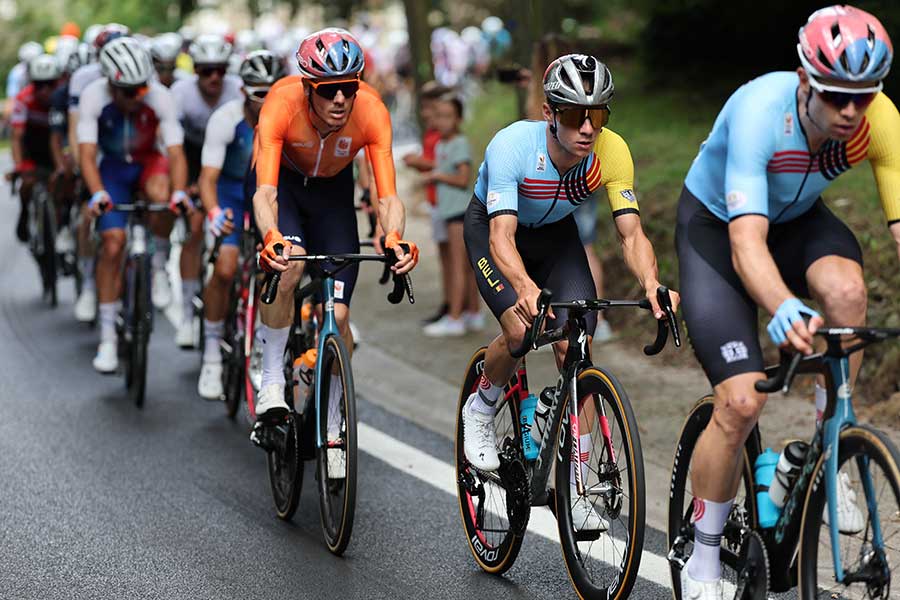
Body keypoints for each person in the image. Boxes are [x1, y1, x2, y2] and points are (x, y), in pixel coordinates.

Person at [674, 6, 898, 598]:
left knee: (847, 291)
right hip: (718, 230)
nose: (852, 111)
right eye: (835, 95)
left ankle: (830, 444)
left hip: (798, 221)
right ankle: (701, 555)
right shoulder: (758, 111)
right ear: (805, 80)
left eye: (865, 94)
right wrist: (781, 306)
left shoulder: (880, 122)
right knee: (742, 402)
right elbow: (746, 243)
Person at [460, 54, 678, 530]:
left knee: (574, 343)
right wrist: (526, 288)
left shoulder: (611, 153)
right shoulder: (512, 147)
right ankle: (481, 406)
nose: (587, 128)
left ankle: (576, 484)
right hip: (496, 230)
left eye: (597, 116)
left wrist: (652, 284)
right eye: (575, 115)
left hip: (557, 237)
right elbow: (501, 239)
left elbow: (631, 234)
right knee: (519, 331)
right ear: (548, 113)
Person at [251, 28, 418, 427]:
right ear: (309, 87)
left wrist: (393, 235)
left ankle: (333, 408)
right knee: (288, 266)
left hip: (333, 194)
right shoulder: (280, 103)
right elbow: (265, 194)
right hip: (287, 187)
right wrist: (272, 235)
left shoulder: (372, 110)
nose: (340, 98)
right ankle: (272, 378)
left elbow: (388, 196)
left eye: (348, 87)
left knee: (339, 317)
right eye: (328, 90)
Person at [77, 37, 189, 373]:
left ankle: (157, 265)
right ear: (110, 84)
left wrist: (179, 193)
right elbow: (85, 154)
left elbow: (175, 153)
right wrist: (97, 193)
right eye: (126, 92)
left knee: (163, 197)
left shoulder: (159, 96)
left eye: (140, 90)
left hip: (147, 163)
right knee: (112, 244)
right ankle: (108, 337)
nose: (134, 97)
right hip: (111, 168)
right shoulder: (93, 96)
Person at [196, 50, 284, 400]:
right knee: (225, 268)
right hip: (231, 193)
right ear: (244, 92)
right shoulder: (226, 119)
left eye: (273, 91)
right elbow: (207, 178)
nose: (266, 101)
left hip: (270, 193)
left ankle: (266, 341)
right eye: (258, 93)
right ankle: (212, 353)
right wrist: (215, 212)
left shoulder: (288, 118)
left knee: (276, 269)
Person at [169, 34, 243, 347]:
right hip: (190, 157)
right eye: (206, 70)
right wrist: (181, 188)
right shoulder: (180, 93)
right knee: (196, 227)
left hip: (225, 161)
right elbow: (170, 148)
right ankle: (187, 313)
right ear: (195, 69)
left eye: (219, 70)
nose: (214, 77)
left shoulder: (238, 89)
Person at [421, 94, 482, 336]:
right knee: (464, 265)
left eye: (447, 116)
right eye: (439, 116)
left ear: (458, 119)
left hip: (460, 212)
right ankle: (472, 314)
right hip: (449, 212)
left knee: (460, 265)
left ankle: (455, 318)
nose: (442, 121)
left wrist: (436, 176)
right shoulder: (441, 145)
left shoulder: (459, 143)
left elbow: (463, 178)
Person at [402, 81, 450, 325]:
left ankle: (455, 307)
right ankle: (449, 302)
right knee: (443, 255)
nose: (424, 114)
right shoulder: (431, 134)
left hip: (446, 202)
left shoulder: (442, 135)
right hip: (435, 200)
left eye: (427, 109)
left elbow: (442, 163)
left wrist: (418, 163)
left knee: (452, 258)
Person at [9, 54, 63, 243]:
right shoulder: (24, 99)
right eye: (39, 85)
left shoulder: (63, 97)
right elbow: (17, 137)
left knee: (62, 185)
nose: (45, 91)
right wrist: (19, 166)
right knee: (28, 183)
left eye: (50, 84)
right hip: (31, 147)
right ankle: (24, 213)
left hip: (57, 147)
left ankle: (63, 225)